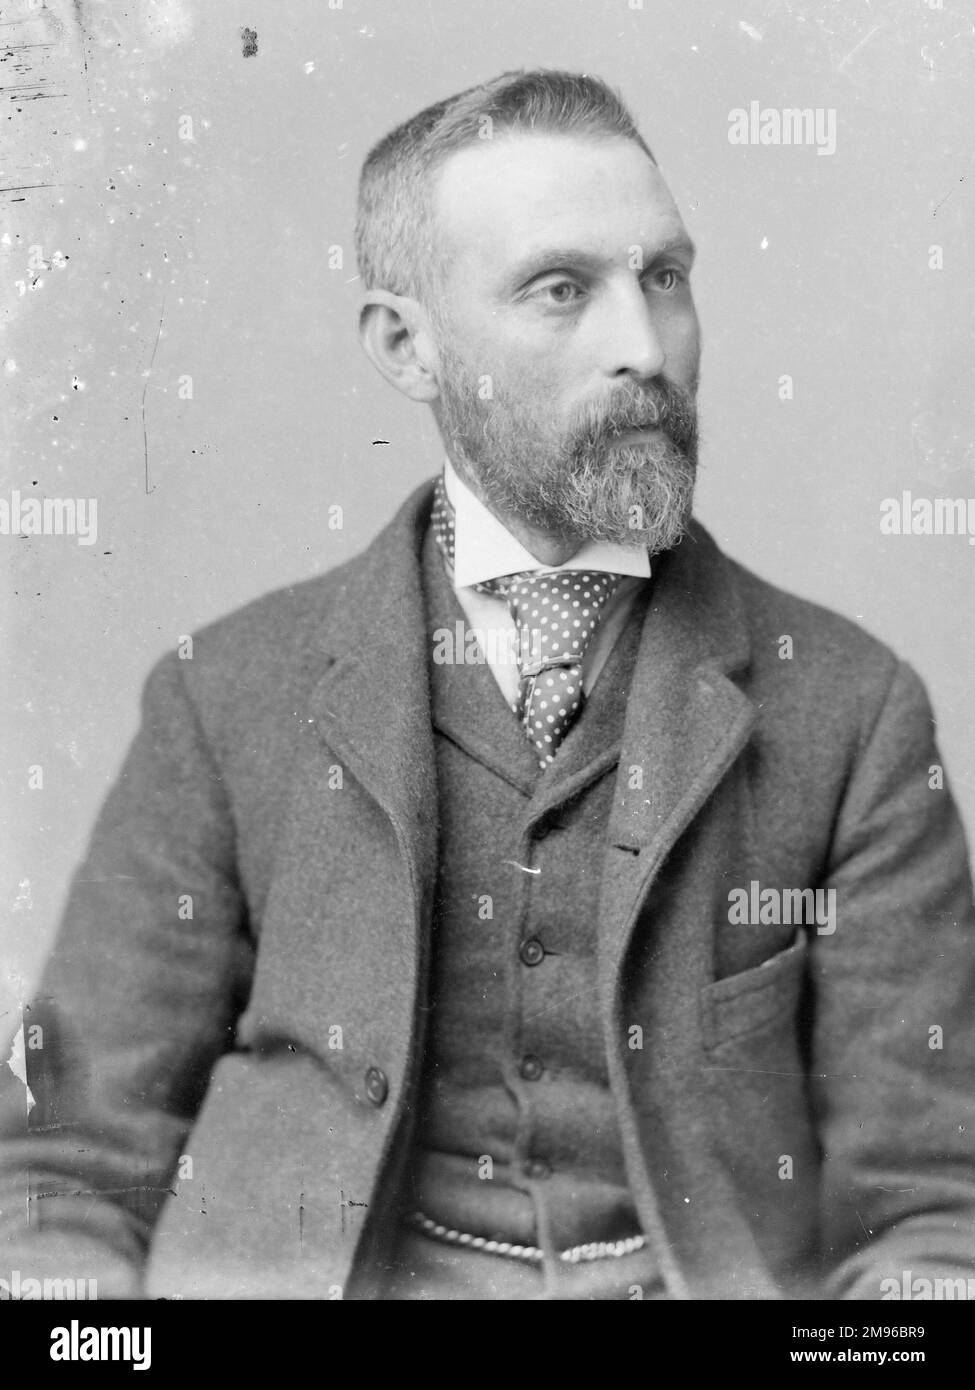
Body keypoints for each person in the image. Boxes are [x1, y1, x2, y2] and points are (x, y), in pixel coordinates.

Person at [1, 68, 974, 1302]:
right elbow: (69, 1173)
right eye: (562, 290)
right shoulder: (224, 697)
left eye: (663, 278)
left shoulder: (850, 710)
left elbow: (934, 1206)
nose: (645, 347)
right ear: (407, 345)